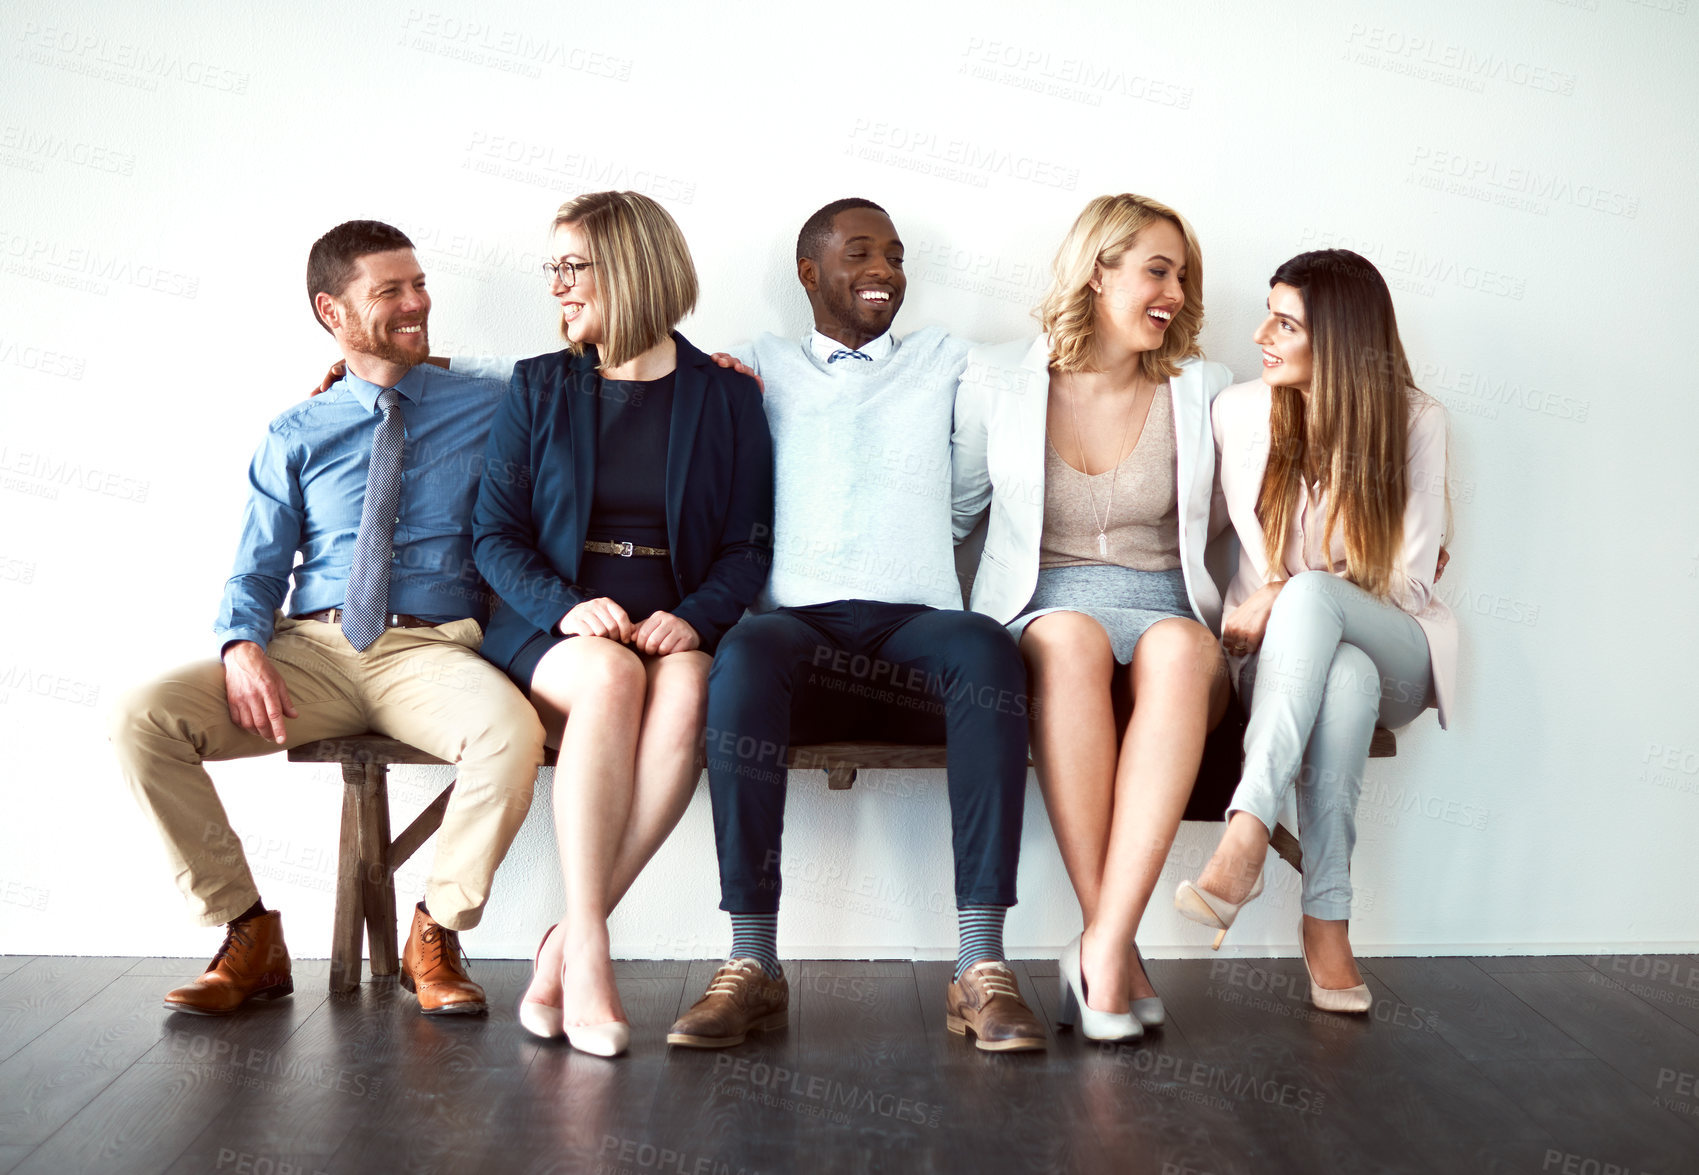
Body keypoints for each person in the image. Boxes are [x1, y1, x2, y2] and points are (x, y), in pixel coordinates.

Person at [106, 221, 546, 1018]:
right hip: (312, 649)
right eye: (391, 291)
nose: (418, 302)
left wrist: (713, 372)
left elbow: (606, 387)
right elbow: (257, 563)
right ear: (331, 310)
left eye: (419, 284)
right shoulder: (294, 430)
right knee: (142, 716)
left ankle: (435, 931)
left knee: (509, 735)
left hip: (431, 649)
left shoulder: (494, 400)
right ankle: (248, 934)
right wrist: (242, 642)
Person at [670, 199, 1046, 1053]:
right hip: (796, 629)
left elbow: (1039, 372)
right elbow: (629, 363)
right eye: (860, 253)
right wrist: (397, 366)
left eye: (896, 257)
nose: (883, 269)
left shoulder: (944, 357)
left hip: (916, 625)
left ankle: (980, 963)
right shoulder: (756, 366)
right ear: (809, 273)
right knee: (742, 653)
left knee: (989, 646)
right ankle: (752, 962)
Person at [471, 191, 773, 1056]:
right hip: (550, 621)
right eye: (553, 268)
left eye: (574, 267)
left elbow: (748, 546)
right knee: (609, 673)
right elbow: (494, 536)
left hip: (671, 623)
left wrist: (694, 616)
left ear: (631, 269)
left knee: (686, 692)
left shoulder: (726, 398)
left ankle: (565, 934)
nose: (557, 287)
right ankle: (593, 949)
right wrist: (567, 608)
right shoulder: (539, 385)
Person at [953, 194, 1234, 1041]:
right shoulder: (998, 378)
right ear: (1097, 269)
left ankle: (1101, 944)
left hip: (1164, 608)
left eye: (1182, 275)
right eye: (1158, 269)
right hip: (1043, 609)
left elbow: (1241, 520)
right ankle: (1110, 949)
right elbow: (953, 511)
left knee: (1185, 651)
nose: (1176, 293)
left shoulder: (1203, 388)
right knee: (1069, 637)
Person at [1174, 248, 1458, 1013]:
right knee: (1343, 679)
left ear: (1337, 340)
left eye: (1286, 322)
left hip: (1394, 645)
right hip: (1272, 666)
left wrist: (1292, 588)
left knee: (1320, 617)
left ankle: (1245, 830)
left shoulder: (1416, 420)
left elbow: (1410, 582)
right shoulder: (1237, 412)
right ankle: (1327, 920)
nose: (1262, 334)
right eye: (1268, 312)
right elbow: (1186, 539)